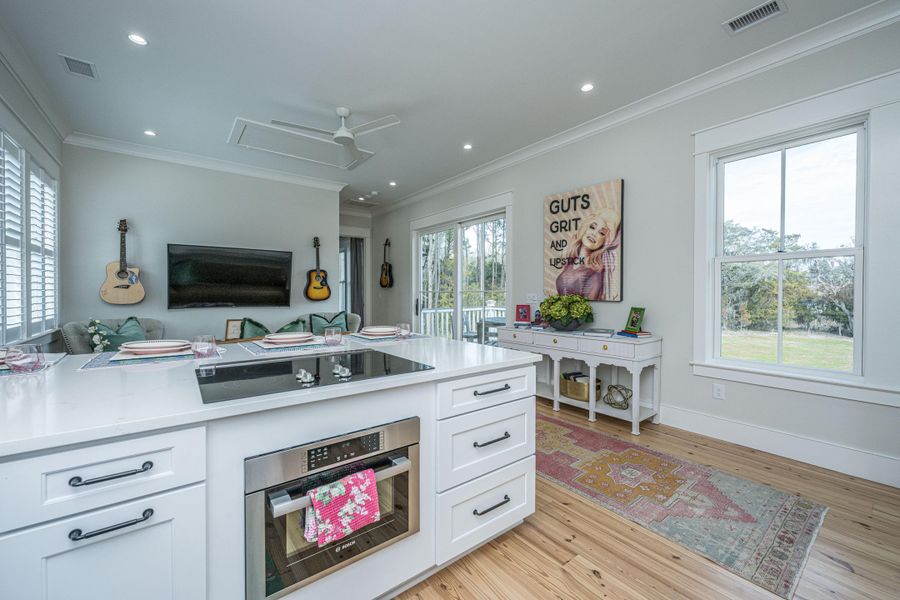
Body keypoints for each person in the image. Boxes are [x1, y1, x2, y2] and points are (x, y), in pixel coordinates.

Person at [555, 207, 621, 301]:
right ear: (586, 227)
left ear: (605, 241)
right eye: (592, 227)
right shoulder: (571, 261)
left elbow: (588, 309)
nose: (594, 234)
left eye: (602, 233)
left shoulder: (595, 274)